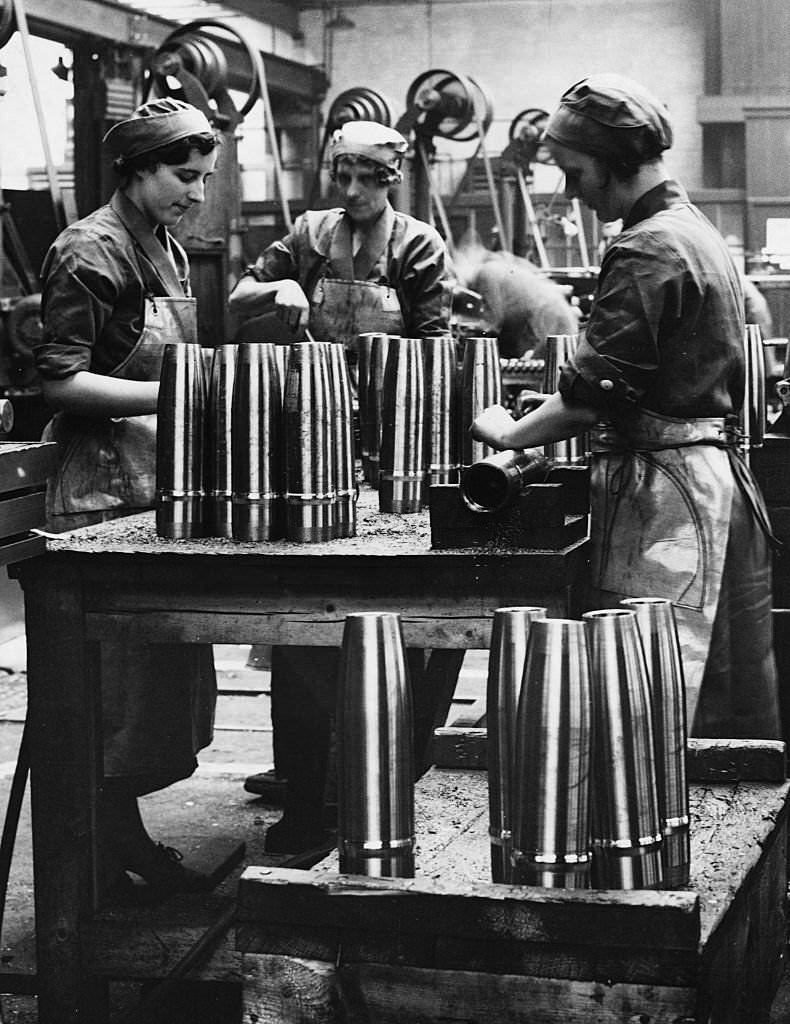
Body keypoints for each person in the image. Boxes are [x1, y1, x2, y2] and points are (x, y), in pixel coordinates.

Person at [471, 73, 781, 740]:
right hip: (708, 484)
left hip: (671, 503)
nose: (569, 190)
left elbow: (592, 400)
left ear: (613, 163)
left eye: (573, 171)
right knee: (716, 700)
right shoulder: (692, 230)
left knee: (650, 700)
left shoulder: (647, 247)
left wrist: (508, 432)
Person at [228, 119, 452, 852]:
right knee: (301, 633)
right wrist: (281, 282)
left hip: (394, 457)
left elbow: (437, 359)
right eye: (342, 175)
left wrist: (406, 457)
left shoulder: (418, 246)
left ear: (392, 177)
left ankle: (385, 787)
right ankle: (304, 797)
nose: (352, 191)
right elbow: (237, 296)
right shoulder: (309, 233)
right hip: (312, 453)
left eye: (367, 177)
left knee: (396, 630)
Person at [34, 98, 221, 899]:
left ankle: (121, 842)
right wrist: (180, 395)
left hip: (154, 488)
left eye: (205, 177)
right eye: (185, 176)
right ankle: (101, 862)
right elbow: (60, 378)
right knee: (111, 699)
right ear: (138, 171)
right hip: (102, 497)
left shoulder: (167, 246)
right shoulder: (88, 250)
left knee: (151, 690)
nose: (198, 192)